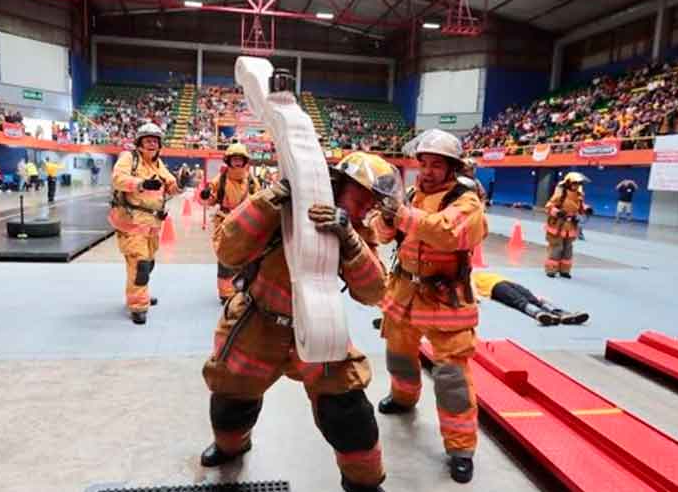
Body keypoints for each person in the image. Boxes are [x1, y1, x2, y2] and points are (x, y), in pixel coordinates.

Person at [200, 152, 402, 492]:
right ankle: (230, 447)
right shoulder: (280, 205)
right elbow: (227, 250)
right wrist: (273, 197)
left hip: (318, 328)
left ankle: (364, 483)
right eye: (363, 195)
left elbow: (372, 292)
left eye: (374, 201)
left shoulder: (354, 229)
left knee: (348, 411)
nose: (369, 206)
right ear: (337, 183)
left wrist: (349, 240)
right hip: (257, 323)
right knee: (231, 398)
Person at [370, 129, 487, 484]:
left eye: (437, 165)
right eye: (424, 163)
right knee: (399, 356)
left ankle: (461, 448)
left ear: (453, 168)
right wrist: (386, 217)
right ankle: (404, 399)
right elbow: (382, 234)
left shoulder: (467, 201)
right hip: (404, 292)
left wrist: (401, 214)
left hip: (445, 300)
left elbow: (446, 233)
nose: (428, 171)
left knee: (452, 378)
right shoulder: (410, 194)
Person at [108, 122, 179, 325]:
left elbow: (171, 184)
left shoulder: (158, 164)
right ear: (139, 143)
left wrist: (180, 183)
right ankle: (138, 306)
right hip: (132, 223)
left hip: (152, 225)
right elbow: (118, 179)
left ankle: (140, 294)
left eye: (155, 141)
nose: (151, 144)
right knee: (140, 264)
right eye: (148, 140)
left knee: (148, 264)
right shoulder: (129, 159)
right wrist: (141, 184)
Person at [199, 143, 260, 304]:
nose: (238, 162)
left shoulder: (252, 181)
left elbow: (259, 200)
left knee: (246, 257)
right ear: (229, 161)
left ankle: (242, 288)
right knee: (226, 257)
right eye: (235, 159)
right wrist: (205, 195)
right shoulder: (221, 179)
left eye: (240, 159)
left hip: (246, 223)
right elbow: (209, 199)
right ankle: (225, 292)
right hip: (225, 222)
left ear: (245, 161)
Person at [472, 271, 589, 325]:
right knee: (518, 300)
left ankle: (562, 314)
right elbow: (470, 287)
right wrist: (475, 297)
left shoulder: (474, 273)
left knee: (533, 299)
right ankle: (539, 314)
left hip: (506, 282)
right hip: (495, 288)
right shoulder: (469, 277)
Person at [544, 172, 593, 278]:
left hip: (571, 225)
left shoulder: (579, 195)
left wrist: (587, 209)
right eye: (575, 183)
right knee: (557, 248)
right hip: (558, 225)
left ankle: (564, 270)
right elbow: (549, 206)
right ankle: (551, 269)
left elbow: (580, 207)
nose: (576, 186)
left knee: (568, 249)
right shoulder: (560, 194)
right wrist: (557, 212)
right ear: (569, 183)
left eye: (578, 184)